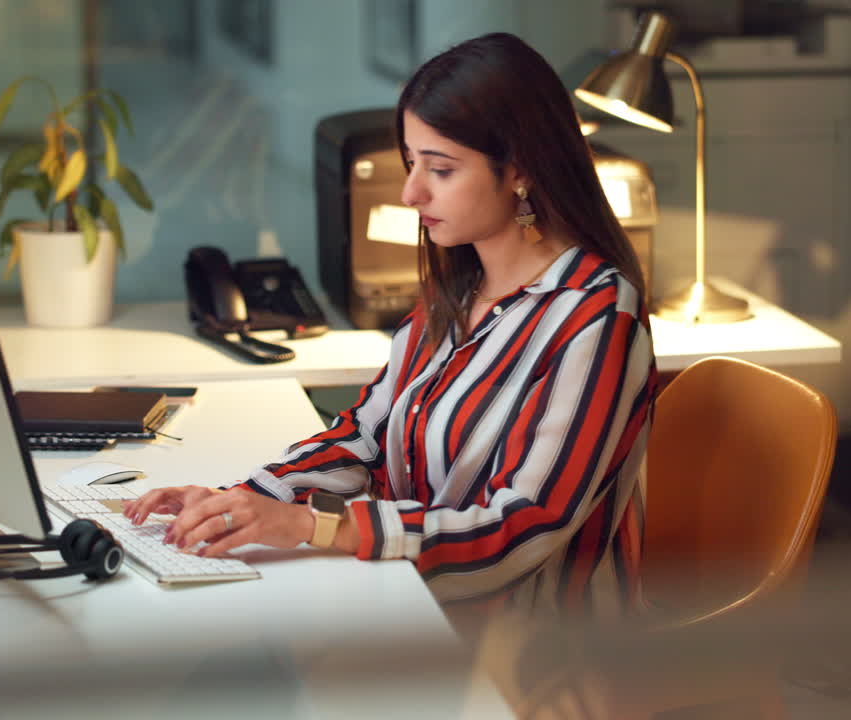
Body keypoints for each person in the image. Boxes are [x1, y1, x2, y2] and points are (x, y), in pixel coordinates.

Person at [124, 32, 657, 623]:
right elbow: (367, 435)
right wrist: (243, 499)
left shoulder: (596, 317)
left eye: (441, 169)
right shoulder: (456, 293)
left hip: (534, 642)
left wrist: (315, 527)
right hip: (418, 602)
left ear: (521, 170)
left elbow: (524, 530)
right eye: (411, 163)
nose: (410, 192)